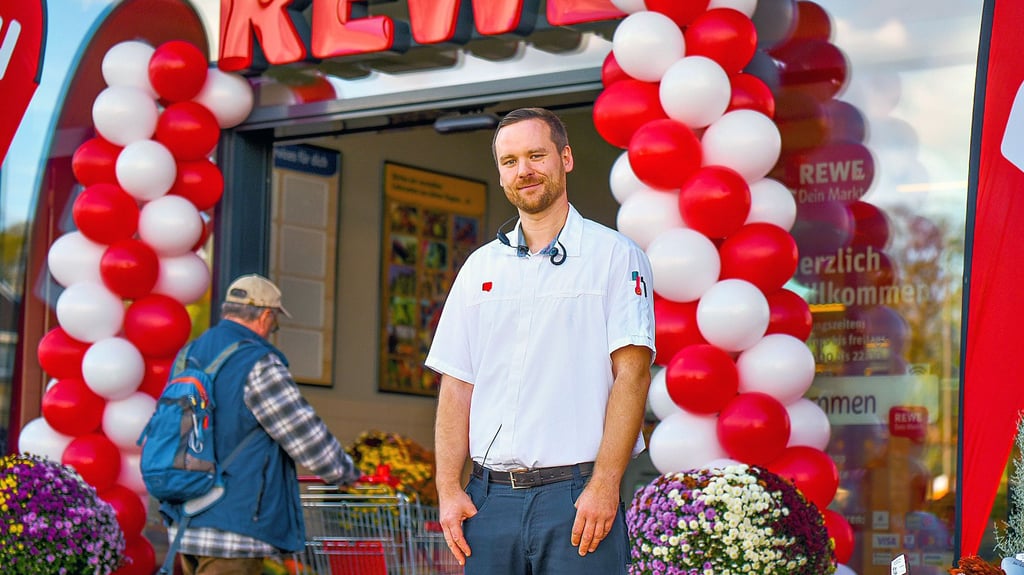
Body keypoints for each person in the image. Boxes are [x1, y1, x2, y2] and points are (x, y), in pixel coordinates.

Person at [425, 107, 656, 574]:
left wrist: (606, 484)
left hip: (577, 499)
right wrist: (449, 489)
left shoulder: (615, 255)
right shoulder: (480, 268)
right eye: (510, 161)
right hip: (489, 502)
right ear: (500, 175)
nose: (523, 171)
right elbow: (456, 385)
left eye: (536, 155)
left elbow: (631, 375)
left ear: (565, 158)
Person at [162, 274, 360, 575]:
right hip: (233, 528)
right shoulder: (256, 362)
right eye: (275, 323)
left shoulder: (188, 355)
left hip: (185, 521)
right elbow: (303, 432)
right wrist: (345, 473)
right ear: (266, 316)